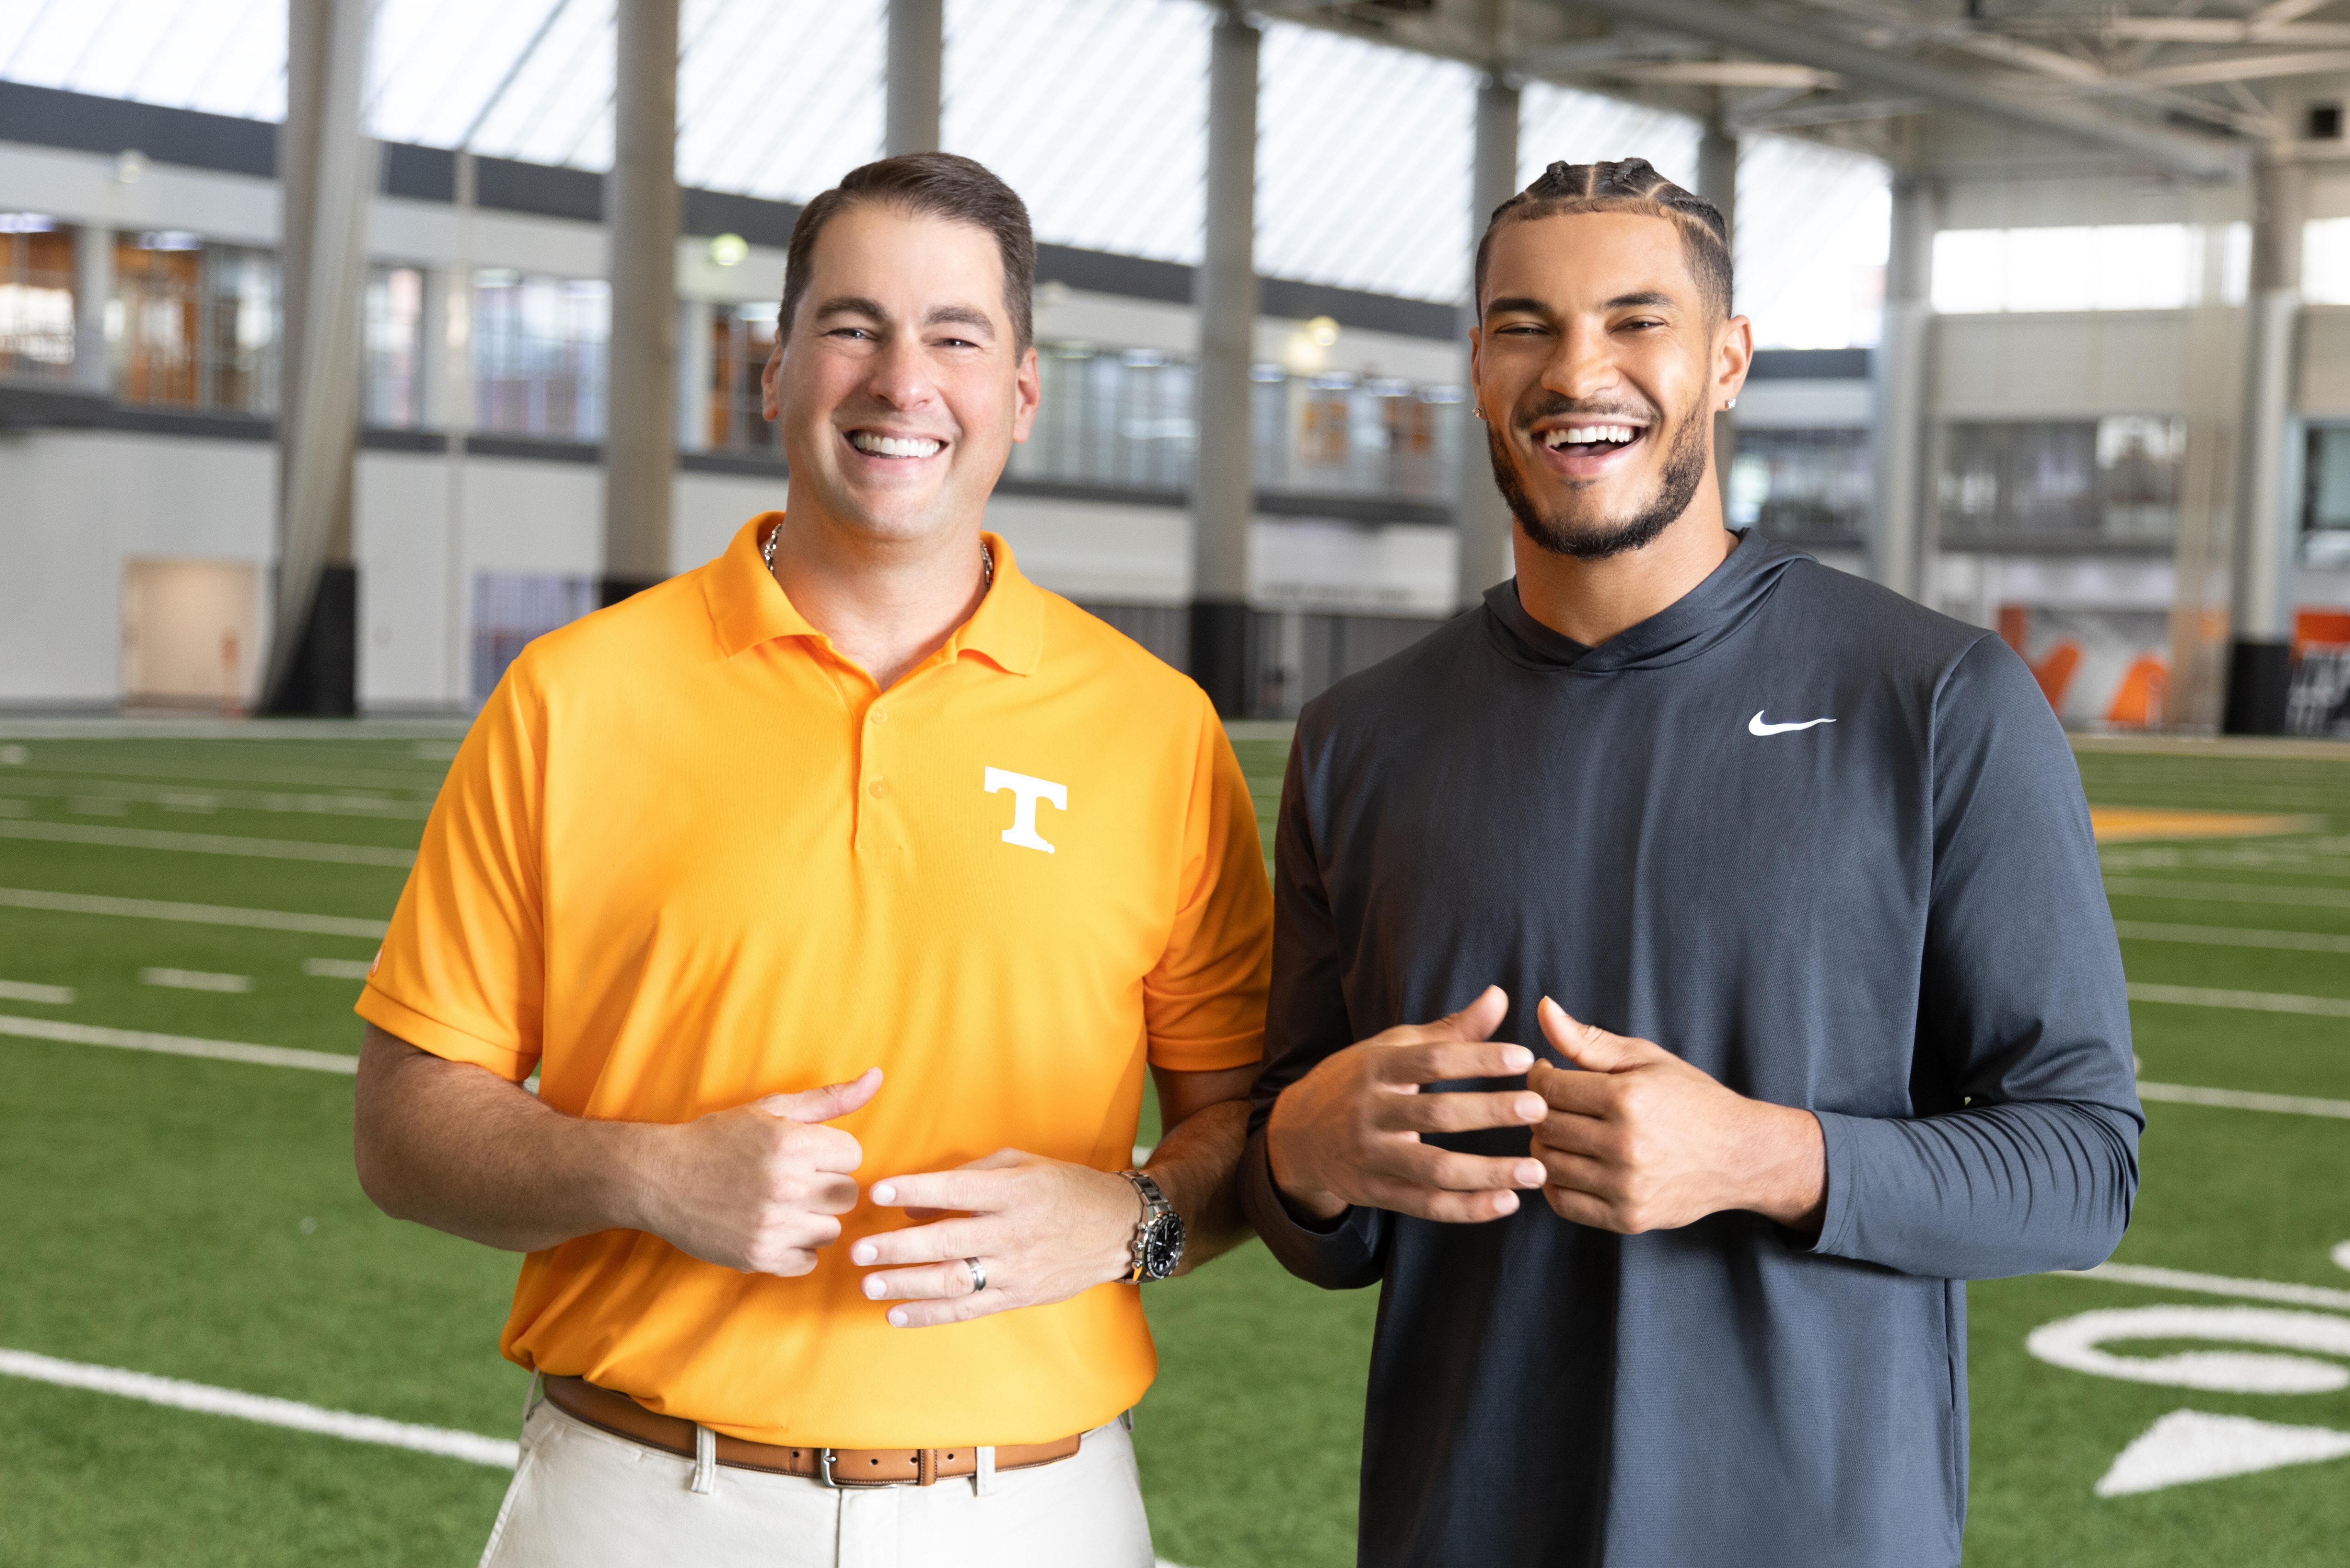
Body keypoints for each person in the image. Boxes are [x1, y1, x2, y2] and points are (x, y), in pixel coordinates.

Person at [351, 154, 1271, 1568]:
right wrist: (643, 1175)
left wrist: (1128, 1220)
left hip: (1034, 1516)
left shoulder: (1154, 728)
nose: (904, 382)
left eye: (956, 336)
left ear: (1019, 395)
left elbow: (1246, 1132)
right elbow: (404, 1129)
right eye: (854, 326)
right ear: (774, 372)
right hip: (638, 1500)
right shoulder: (572, 695)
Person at [1240, 159, 2141, 1568]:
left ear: (1726, 363)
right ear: (1479, 366)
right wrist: (1302, 1154)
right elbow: (1311, 1206)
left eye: (1636, 321)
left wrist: (1767, 1157)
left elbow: (2083, 1167)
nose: (1576, 370)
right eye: (1525, 325)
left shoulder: (1937, 699)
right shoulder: (1363, 738)